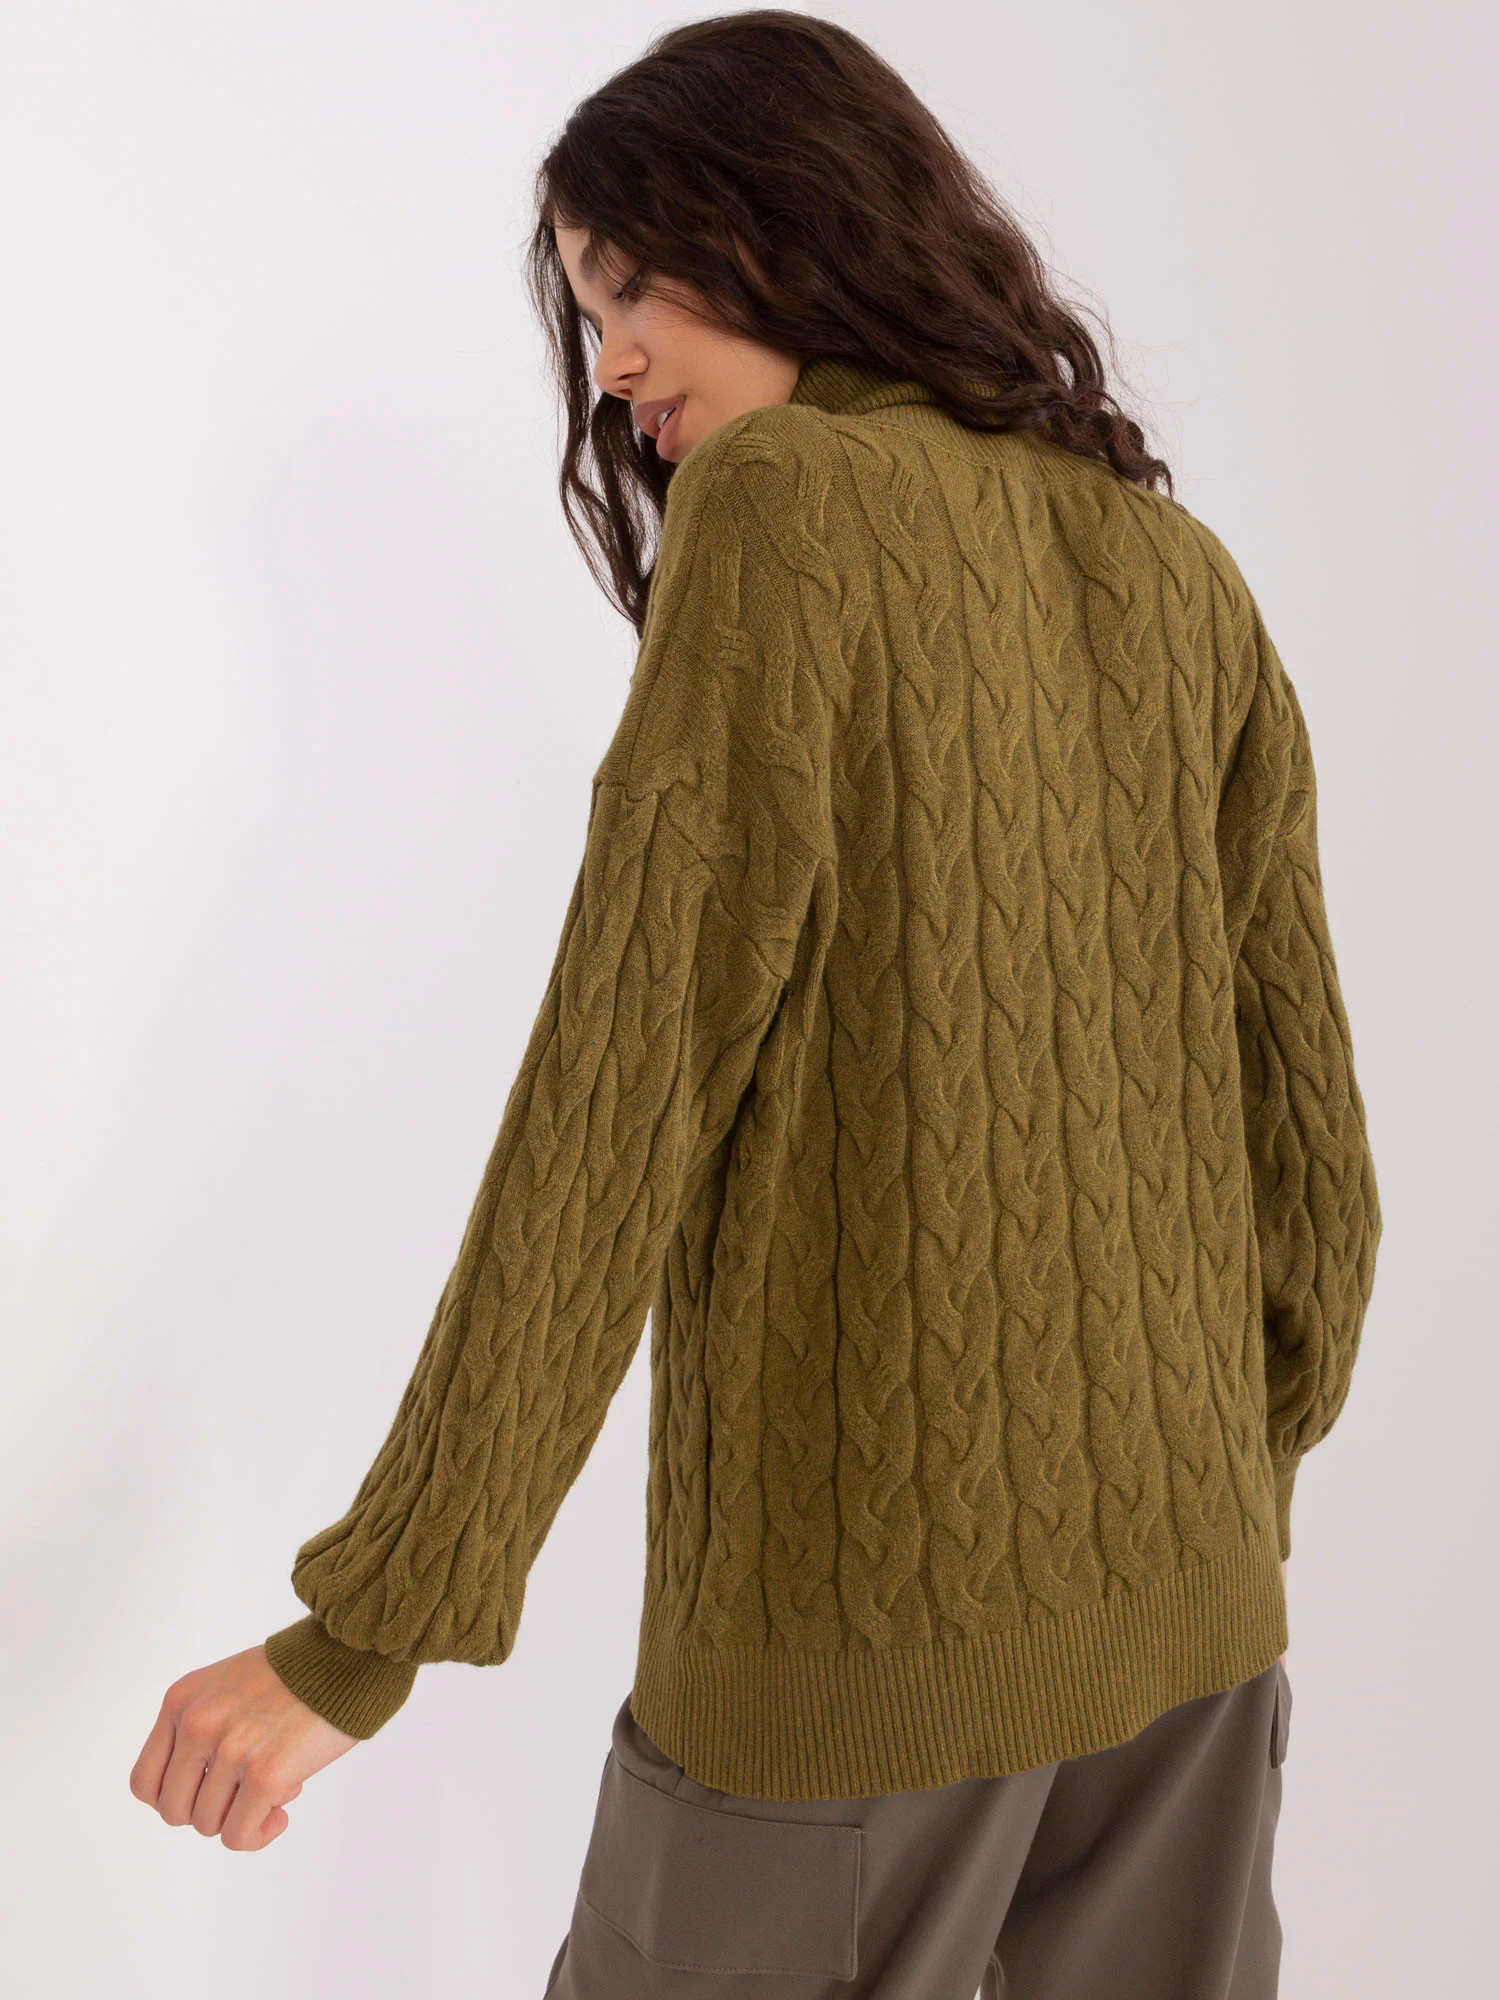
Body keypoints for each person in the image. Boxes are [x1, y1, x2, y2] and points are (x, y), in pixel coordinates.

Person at [129, 13, 1382, 1996]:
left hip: (858, 1658)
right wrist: (1197, 1506)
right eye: (586, 311)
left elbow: (621, 1094)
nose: (611, 360)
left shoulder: (794, 506)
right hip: (1200, 1645)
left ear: (785, 218)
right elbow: (1313, 1161)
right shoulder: (1177, 569)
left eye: (630, 285)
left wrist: (368, 1628)